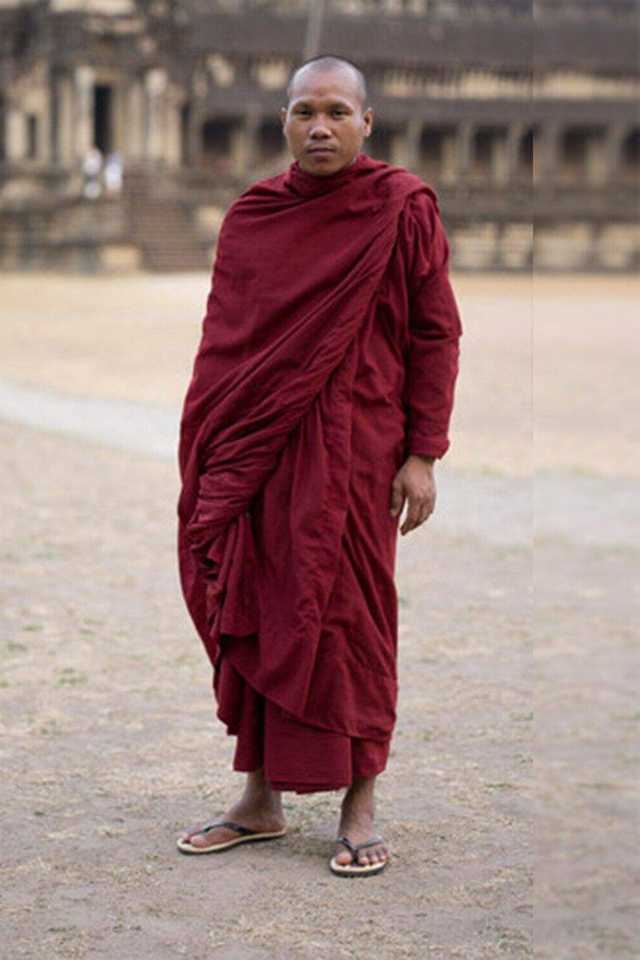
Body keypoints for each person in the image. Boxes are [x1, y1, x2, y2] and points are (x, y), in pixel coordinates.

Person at [175, 55, 461, 877]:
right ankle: (258, 798)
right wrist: (214, 444)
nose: (320, 127)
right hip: (259, 448)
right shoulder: (254, 215)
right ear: (284, 122)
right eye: (305, 112)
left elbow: (435, 333)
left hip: (358, 451)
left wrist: (423, 453)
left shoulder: (401, 208)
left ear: (367, 121)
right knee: (260, 602)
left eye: (337, 112)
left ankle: (359, 803)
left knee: (351, 620)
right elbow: (227, 340)